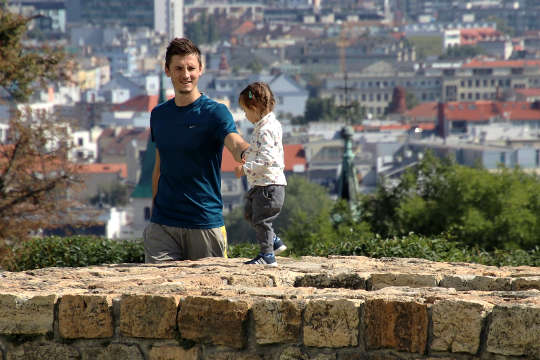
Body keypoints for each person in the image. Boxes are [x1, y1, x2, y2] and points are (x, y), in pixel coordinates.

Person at [144, 38, 249, 263]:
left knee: (209, 295)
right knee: (157, 292)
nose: (186, 74)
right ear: (167, 71)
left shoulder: (215, 113)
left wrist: (246, 153)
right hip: (163, 226)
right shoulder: (159, 115)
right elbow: (159, 167)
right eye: (179, 68)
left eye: (191, 68)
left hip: (204, 222)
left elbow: (235, 142)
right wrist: (155, 214)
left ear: (201, 70)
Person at [234, 82, 287, 266]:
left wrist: (245, 168)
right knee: (251, 213)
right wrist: (246, 155)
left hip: (268, 187)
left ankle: (268, 256)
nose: (245, 115)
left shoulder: (265, 130)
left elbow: (267, 160)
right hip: (264, 185)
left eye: (245, 110)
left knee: (261, 220)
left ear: (255, 108)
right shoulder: (269, 125)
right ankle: (274, 241)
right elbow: (259, 150)